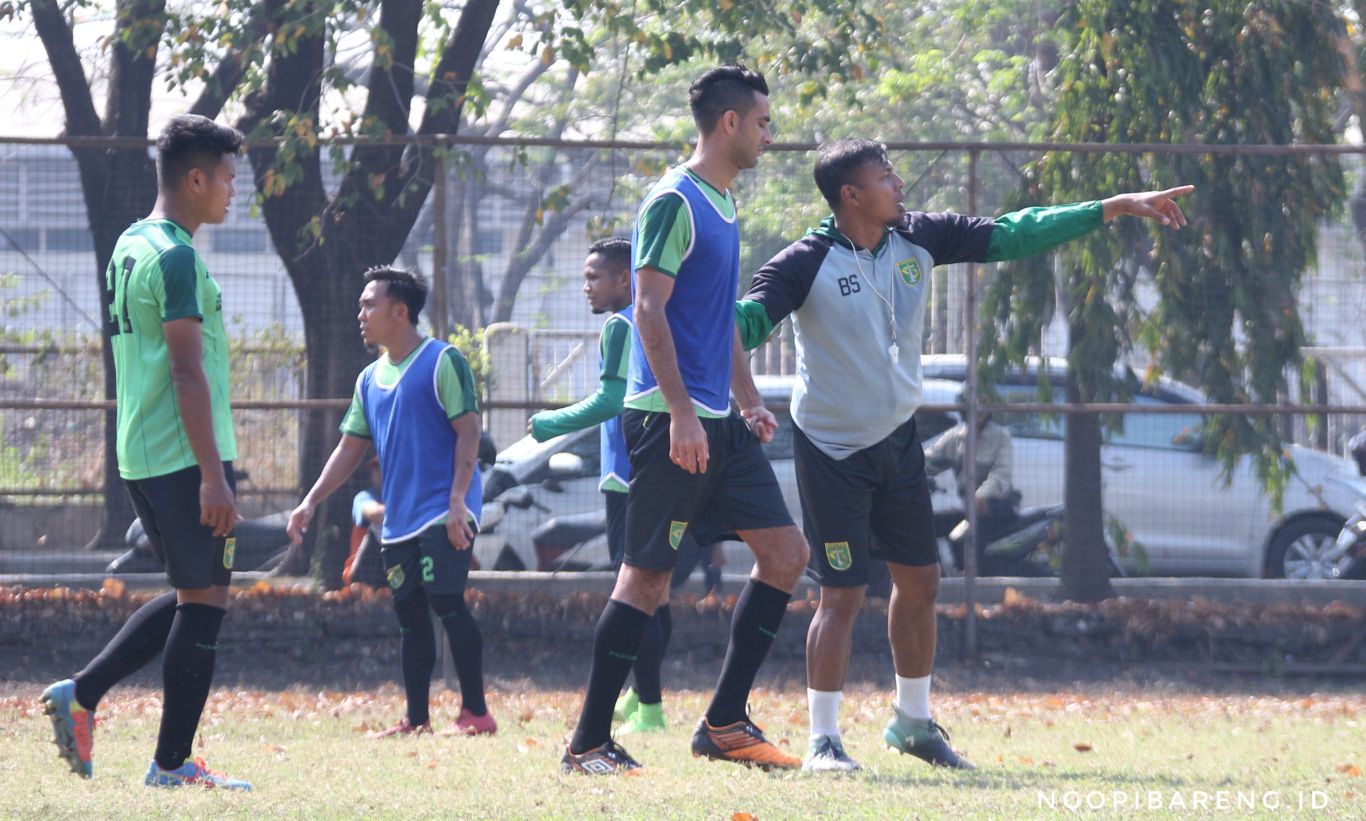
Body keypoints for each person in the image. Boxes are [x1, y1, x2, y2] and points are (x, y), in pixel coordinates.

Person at [736, 138, 1192, 772]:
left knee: (922, 582)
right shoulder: (802, 263)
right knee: (841, 595)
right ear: (851, 195)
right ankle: (824, 741)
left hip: (899, 439)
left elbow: (1012, 233)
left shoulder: (920, 237)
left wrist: (1111, 207)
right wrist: (718, 334)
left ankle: (914, 724)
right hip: (832, 449)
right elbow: (748, 323)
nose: (898, 182)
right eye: (884, 175)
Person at [560, 64, 810, 775]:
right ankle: (586, 743)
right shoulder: (673, 200)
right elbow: (649, 310)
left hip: (718, 423)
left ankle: (726, 722)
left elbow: (717, 319)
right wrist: (680, 413)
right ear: (729, 122)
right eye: (762, 120)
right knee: (645, 582)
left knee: (787, 556)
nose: (769, 132)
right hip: (669, 422)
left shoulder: (725, 204)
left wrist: (749, 397)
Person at [40, 114, 252, 789]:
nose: (231, 192)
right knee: (206, 603)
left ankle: (85, 693)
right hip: (183, 455)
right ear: (195, 178)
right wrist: (214, 476)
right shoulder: (177, 256)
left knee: (200, 594)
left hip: (142, 449)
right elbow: (186, 371)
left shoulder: (133, 242)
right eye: (225, 179)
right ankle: (169, 762)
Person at [286, 267, 495, 738]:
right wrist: (311, 501)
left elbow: (469, 433)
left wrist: (459, 501)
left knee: (446, 601)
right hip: (399, 519)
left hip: (445, 511)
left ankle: (476, 713)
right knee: (409, 615)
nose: (360, 314)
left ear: (399, 312)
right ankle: (417, 719)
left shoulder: (444, 361)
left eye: (368, 305)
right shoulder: (368, 379)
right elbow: (349, 448)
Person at [527, 237, 673, 735]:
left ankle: (650, 709)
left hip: (628, 476)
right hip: (657, 469)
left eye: (594, 277)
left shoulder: (621, 323)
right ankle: (639, 696)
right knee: (656, 591)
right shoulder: (657, 317)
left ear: (625, 278)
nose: (586, 287)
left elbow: (610, 401)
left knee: (636, 592)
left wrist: (550, 424)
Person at [925, 408, 1018, 549]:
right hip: (969, 509)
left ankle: (972, 570)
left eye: (984, 404)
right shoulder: (955, 437)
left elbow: (1001, 474)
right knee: (929, 523)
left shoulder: (1001, 437)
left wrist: (983, 493)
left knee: (967, 534)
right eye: (973, 402)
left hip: (998, 506)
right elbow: (928, 460)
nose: (979, 408)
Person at [342, 456, 387, 588]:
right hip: (362, 578)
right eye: (376, 470)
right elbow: (376, 514)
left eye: (383, 469)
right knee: (378, 527)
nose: (379, 474)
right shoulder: (364, 497)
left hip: (396, 571)